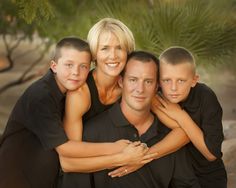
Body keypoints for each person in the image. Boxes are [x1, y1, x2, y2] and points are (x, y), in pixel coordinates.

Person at [59, 18, 189, 187]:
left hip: (118, 162)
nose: (113, 55)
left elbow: (184, 132)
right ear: (93, 54)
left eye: (119, 48)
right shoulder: (80, 94)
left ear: (128, 52)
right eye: (105, 48)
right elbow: (68, 163)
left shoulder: (134, 90)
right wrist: (120, 157)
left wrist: (143, 157)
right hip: (75, 166)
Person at [0, 37, 143, 188]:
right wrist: (118, 149)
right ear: (54, 66)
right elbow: (65, 148)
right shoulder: (41, 97)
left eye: (83, 66)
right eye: (69, 65)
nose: (75, 72)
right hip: (16, 178)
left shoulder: (71, 92)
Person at [81, 51, 200, 188]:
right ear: (121, 81)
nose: (140, 89)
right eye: (133, 80)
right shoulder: (92, 132)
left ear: (157, 86)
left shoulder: (170, 137)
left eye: (148, 81)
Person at [152, 46, 227, 188]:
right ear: (158, 80)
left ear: (194, 80)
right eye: (166, 80)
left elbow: (211, 154)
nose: (173, 88)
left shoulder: (206, 97)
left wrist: (180, 116)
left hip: (207, 178)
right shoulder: (156, 96)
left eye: (181, 81)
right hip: (174, 179)